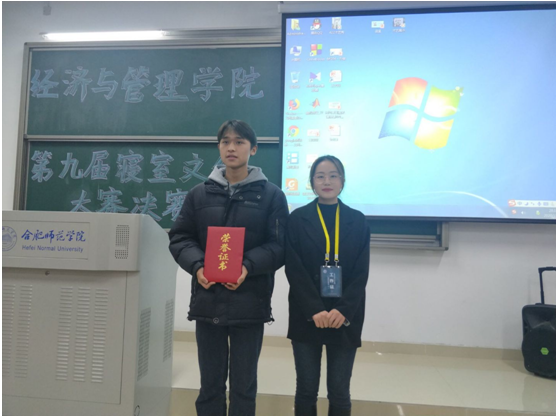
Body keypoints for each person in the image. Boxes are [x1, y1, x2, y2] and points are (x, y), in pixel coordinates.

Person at [168, 120, 288, 416]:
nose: (231, 148)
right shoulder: (199, 194)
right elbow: (181, 238)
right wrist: (198, 267)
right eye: (225, 142)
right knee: (210, 386)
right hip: (208, 301)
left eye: (239, 142)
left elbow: (279, 246)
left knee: (243, 387)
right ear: (219, 147)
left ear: (253, 149)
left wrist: (246, 266)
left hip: (250, 302)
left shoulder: (272, 196)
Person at [285, 155, 371, 416]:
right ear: (312, 182)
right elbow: (294, 269)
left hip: (344, 316)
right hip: (306, 313)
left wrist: (343, 310)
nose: (327, 181)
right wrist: (314, 309)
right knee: (306, 389)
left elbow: (361, 273)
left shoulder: (358, 220)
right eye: (320, 176)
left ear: (342, 181)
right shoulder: (298, 219)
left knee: (340, 391)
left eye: (333, 175)